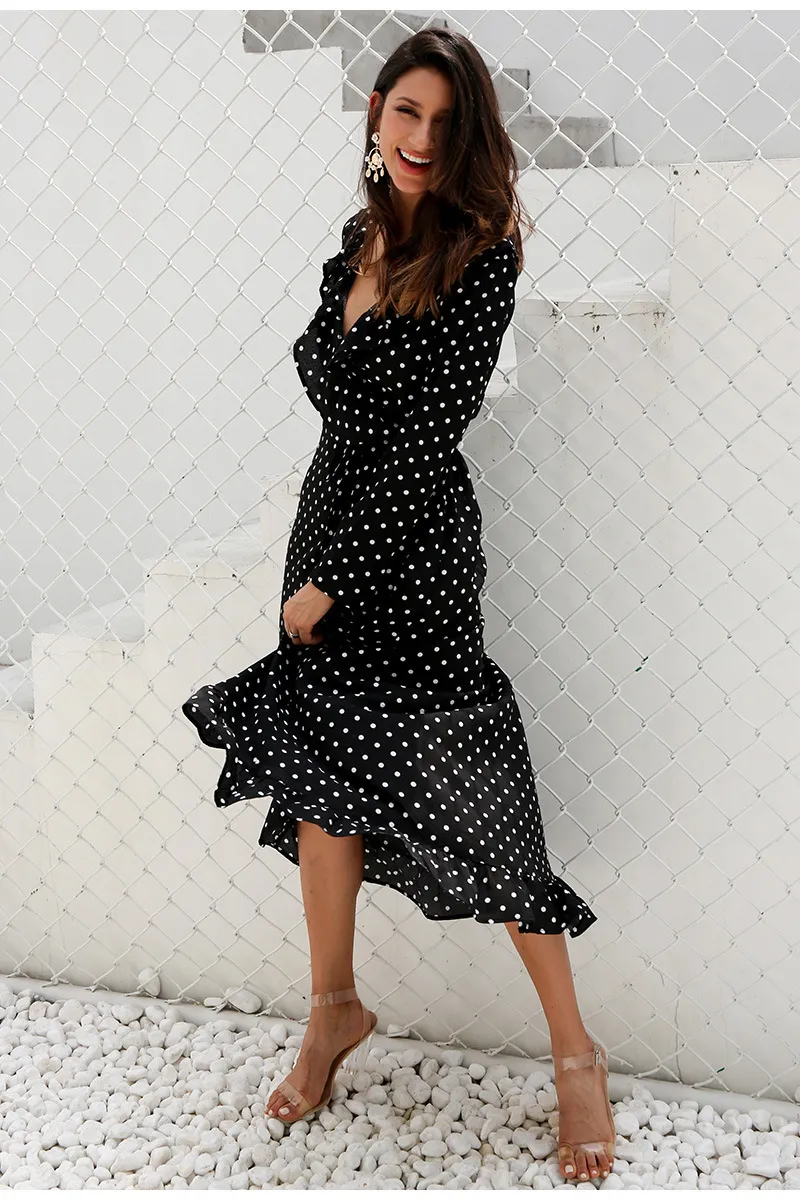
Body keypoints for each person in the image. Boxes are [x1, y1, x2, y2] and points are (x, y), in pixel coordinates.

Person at [182, 27, 615, 1184]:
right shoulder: (359, 241)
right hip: (326, 522)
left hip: (405, 554)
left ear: (467, 136)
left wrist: (336, 579)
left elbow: (425, 440)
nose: (421, 137)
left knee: (478, 796)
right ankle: (332, 1008)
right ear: (376, 112)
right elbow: (334, 390)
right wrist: (315, 562)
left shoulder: (482, 253)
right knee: (325, 782)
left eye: (443, 121)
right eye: (406, 112)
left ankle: (575, 1055)